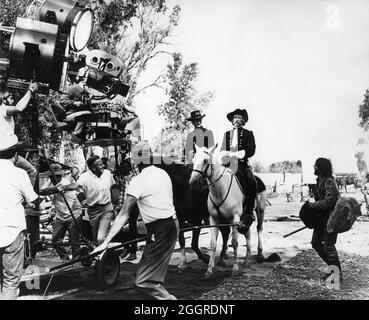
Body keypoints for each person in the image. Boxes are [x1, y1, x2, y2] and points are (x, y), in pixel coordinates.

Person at [93, 141, 179, 300]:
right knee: (149, 276)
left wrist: (105, 243)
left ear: (135, 160)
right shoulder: (162, 173)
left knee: (144, 281)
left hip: (162, 230)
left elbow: (124, 214)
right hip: (171, 225)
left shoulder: (138, 181)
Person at [0, 136, 38, 300]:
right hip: (11, 231)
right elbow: (33, 200)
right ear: (15, 155)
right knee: (10, 282)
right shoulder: (19, 173)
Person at [62, 156, 115, 244]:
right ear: (93, 168)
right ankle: (100, 254)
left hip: (107, 208)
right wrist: (63, 187)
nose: (103, 166)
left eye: (102, 164)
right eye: (100, 165)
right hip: (93, 211)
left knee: (100, 237)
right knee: (95, 237)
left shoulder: (107, 173)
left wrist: (115, 206)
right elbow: (76, 186)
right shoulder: (85, 177)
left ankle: (105, 254)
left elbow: (112, 189)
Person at [220, 108, 257, 234]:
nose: (237, 119)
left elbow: (251, 150)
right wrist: (225, 155)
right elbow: (223, 150)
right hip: (229, 166)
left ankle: (250, 211)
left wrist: (240, 154)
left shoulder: (248, 133)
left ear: (244, 120)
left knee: (252, 181)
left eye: (239, 117)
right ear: (232, 120)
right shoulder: (226, 134)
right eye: (235, 117)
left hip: (242, 165)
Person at [307, 157, 341, 281]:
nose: (314, 167)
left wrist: (312, 205)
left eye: (316, 165)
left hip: (331, 219)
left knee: (329, 247)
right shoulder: (319, 181)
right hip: (321, 219)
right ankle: (333, 269)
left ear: (320, 168)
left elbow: (329, 201)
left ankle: (336, 274)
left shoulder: (329, 182)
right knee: (315, 243)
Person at [39, 164, 83, 260]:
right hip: (60, 215)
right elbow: (41, 193)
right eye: (52, 176)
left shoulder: (66, 182)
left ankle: (77, 260)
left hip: (73, 215)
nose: (54, 178)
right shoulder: (49, 184)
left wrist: (44, 191)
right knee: (55, 240)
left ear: (60, 176)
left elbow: (50, 191)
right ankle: (65, 257)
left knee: (74, 241)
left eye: (57, 176)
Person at [0, 81, 38, 186]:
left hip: (10, 153)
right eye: (9, 96)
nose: (12, 98)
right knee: (32, 171)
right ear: (3, 99)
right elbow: (19, 108)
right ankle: (27, 201)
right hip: (8, 155)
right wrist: (30, 91)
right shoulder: (3, 109)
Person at [59, 68, 92, 143]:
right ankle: (76, 134)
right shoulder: (73, 88)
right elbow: (62, 101)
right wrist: (74, 103)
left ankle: (84, 137)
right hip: (70, 116)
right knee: (87, 114)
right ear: (84, 78)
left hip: (78, 116)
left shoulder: (85, 92)